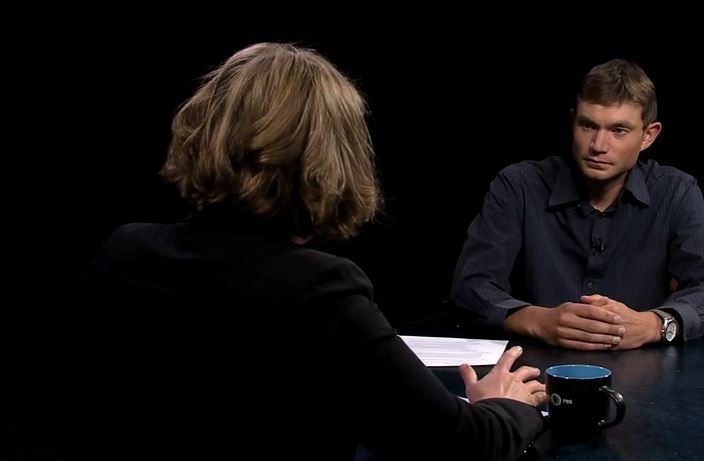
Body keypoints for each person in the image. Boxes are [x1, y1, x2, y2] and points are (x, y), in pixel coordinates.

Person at [81, 42, 546, 460]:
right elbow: (460, 446)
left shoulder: (124, 251)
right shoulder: (318, 290)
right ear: (332, 157)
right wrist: (505, 406)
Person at [450, 59, 704, 351]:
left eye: (619, 131)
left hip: (644, 373)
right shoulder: (519, 185)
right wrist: (538, 320)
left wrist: (655, 325)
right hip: (532, 369)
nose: (598, 145)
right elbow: (470, 287)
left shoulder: (676, 191)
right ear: (573, 121)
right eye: (588, 126)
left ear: (648, 136)